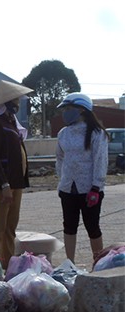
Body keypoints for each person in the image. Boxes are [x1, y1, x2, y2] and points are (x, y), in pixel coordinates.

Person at [0, 80, 33, 269]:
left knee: (10, 227)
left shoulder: (11, 123)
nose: (17, 105)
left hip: (16, 182)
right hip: (0, 185)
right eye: (15, 101)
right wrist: (4, 185)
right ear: (6, 102)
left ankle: (8, 265)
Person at [55, 92, 108, 265]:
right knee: (69, 227)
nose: (66, 113)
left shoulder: (96, 133)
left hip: (89, 189)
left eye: (69, 109)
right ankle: (70, 263)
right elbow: (60, 158)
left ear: (82, 110)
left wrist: (96, 187)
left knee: (92, 226)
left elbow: (100, 160)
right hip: (68, 188)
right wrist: (61, 181)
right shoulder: (63, 133)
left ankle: (98, 263)